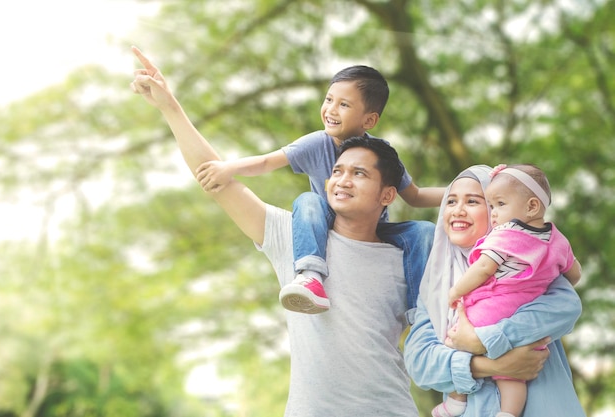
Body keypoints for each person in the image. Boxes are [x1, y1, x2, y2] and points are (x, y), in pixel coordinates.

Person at [131, 46, 420, 416]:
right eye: (337, 171)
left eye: (360, 173)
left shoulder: (407, 254)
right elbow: (216, 180)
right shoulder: (298, 238)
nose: (343, 180)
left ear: (387, 194)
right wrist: (170, 107)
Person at [196, 64, 444, 318]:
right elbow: (267, 162)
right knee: (308, 201)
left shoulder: (380, 154)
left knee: (424, 231)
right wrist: (229, 168)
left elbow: (415, 196)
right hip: (329, 221)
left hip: (373, 228)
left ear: (369, 120)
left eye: (344, 105)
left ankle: (420, 310)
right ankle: (311, 276)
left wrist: (469, 190)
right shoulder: (316, 143)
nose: (331, 110)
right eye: (328, 100)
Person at [403, 165, 586, 417]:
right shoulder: (437, 286)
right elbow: (420, 362)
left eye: (473, 201)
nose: (458, 210)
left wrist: (485, 340)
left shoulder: (532, 264)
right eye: (451, 201)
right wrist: (492, 364)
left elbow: (566, 308)